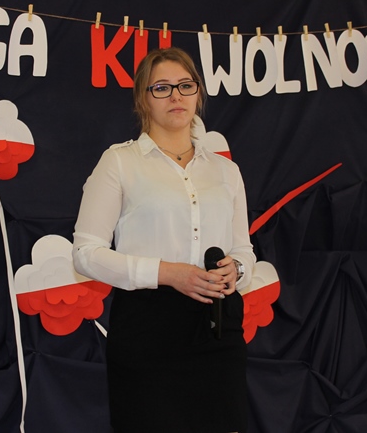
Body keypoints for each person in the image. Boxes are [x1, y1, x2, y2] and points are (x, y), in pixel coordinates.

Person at [73, 46, 256, 433]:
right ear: (143, 98)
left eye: (186, 85)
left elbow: (244, 250)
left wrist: (236, 270)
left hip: (218, 325)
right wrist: (168, 273)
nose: (176, 96)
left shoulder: (226, 170)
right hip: (147, 327)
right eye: (162, 88)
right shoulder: (119, 162)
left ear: (198, 93)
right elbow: (86, 254)